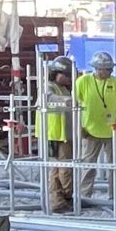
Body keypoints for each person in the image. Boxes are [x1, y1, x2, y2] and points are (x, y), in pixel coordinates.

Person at [75, 50, 116, 200]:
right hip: (90, 131)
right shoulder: (83, 82)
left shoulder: (114, 82)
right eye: (100, 69)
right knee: (88, 166)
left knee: (114, 166)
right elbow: (73, 106)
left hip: (112, 131)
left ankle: (114, 197)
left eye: (106, 69)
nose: (103, 72)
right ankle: (84, 196)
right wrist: (78, 127)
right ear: (95, 68)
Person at [40, 55, 77, 208]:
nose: (69, 78)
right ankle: (65, 197)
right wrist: (66, 101)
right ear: (56, 73)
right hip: (56, 134)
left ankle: (58, 201)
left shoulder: (64, 88)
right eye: (66, 75)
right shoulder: (48, 87)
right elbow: (47, 99)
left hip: (64, 132)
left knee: (57, 168)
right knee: (63, 168)